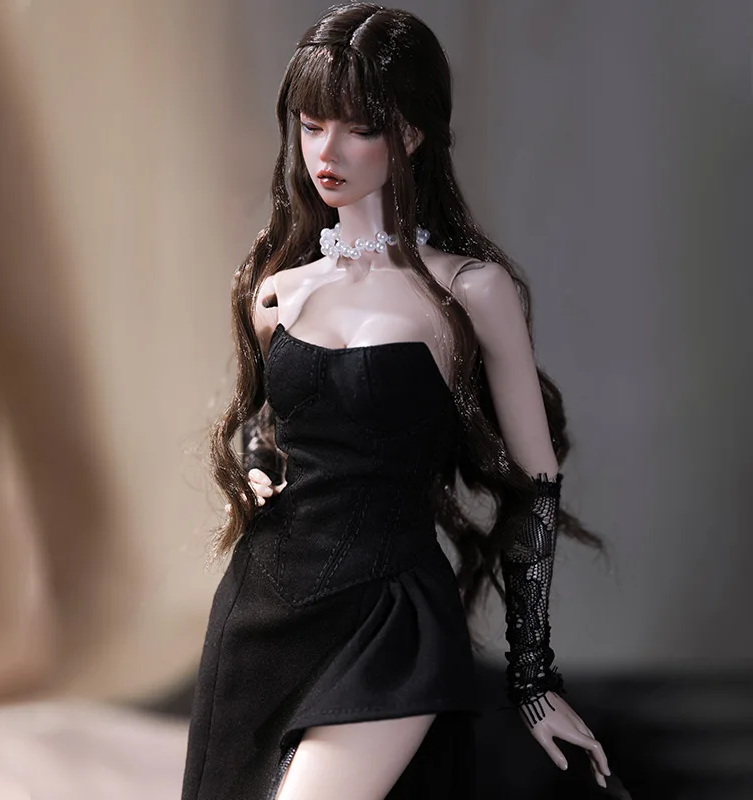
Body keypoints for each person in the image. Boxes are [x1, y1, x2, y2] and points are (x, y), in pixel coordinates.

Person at [182, 5, 611, 798]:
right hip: (263, 612)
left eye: (359, 129)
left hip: (391, 618)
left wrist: (531, 675)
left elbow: (535, 484)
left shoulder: (469, 292)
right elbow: (272, 423)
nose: (327, 153)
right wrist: (259, 462)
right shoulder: (277, 292)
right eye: (312, 126)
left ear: (410, 134)